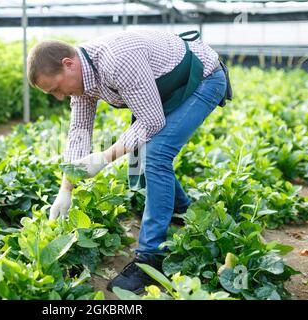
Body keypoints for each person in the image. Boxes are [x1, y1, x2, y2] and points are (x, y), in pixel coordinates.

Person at [27, 29, 229, 294]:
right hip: (167, 89)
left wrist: (104, 157)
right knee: (140, 152)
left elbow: (152, 120)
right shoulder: (82, 79)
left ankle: (149, 259)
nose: (59, 97)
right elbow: (79, 133)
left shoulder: (116, 61)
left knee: (155, 154)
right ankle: (182, 210)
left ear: (68, 64)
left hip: (202, 78)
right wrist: (66, 189)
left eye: (56, 88)